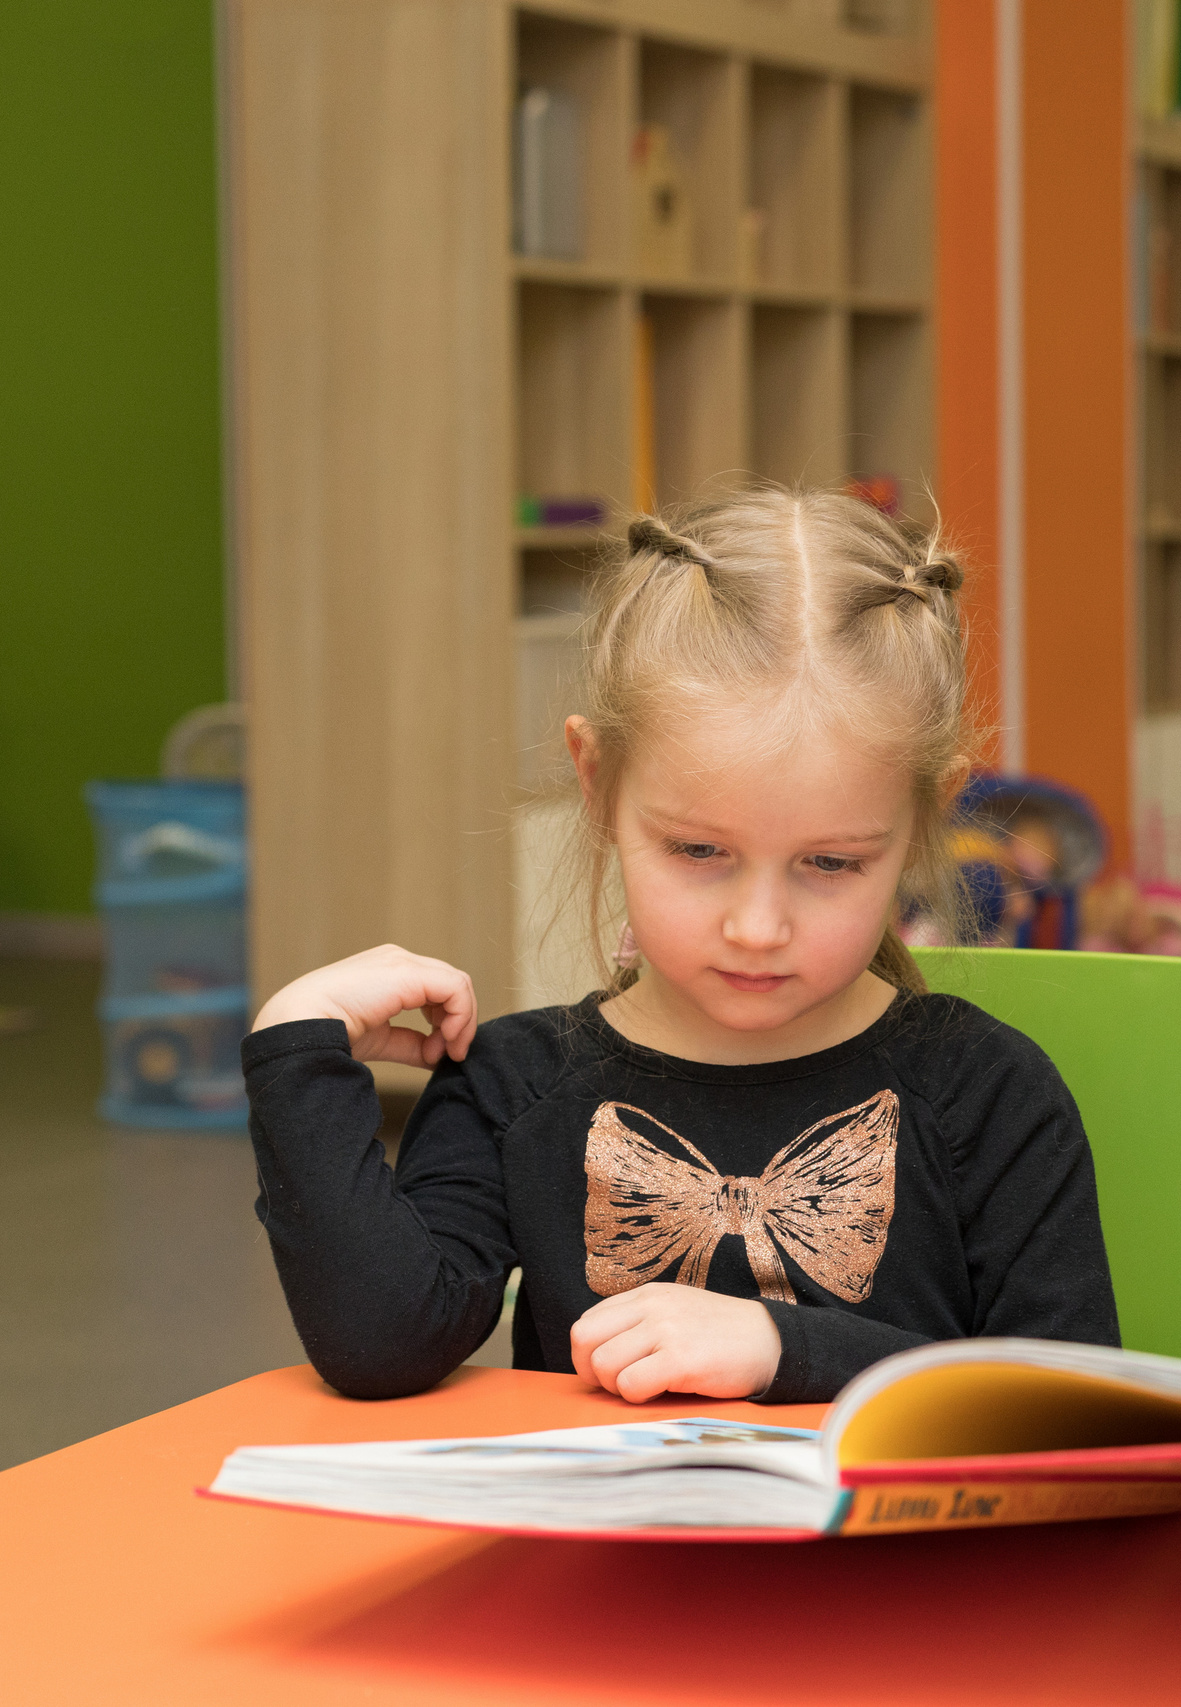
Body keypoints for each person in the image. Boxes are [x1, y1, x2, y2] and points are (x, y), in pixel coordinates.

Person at [246, 490, 1117, 1406]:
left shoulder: (991, 1096)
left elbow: (1068, 1404)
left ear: (926, 817)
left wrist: (786, 1347)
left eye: (829, 862)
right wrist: (297, 1051)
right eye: (700, 851)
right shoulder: (514, 1084)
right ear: (598, 781)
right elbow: (381, 1347)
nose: (757, 926)